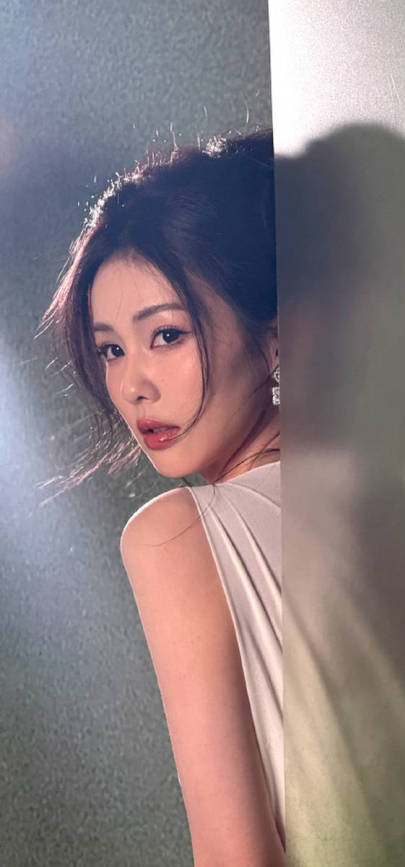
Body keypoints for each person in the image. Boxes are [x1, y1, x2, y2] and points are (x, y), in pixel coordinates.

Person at [39, 130, 285, 865]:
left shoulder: (176, 537)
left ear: (275, 338)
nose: (131, 385)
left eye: (167, 335)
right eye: (111, 348)